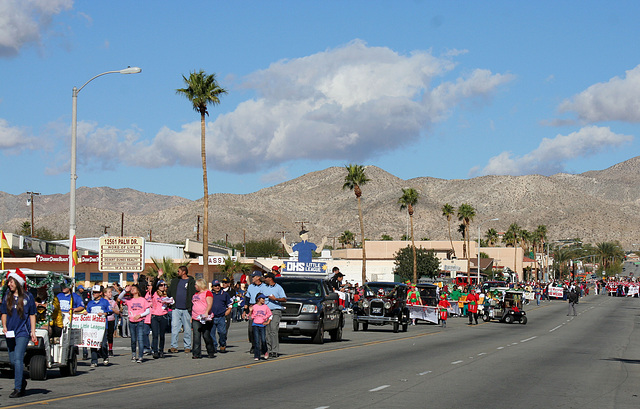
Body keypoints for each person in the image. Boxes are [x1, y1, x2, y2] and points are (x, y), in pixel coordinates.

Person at [1, 270, 36, 398]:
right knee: (12, 361)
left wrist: (33, 331)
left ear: (17, 282)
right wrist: (4, 326)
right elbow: (4, 313)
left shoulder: (28, 297)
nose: (9, 284)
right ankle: (22, 381)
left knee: (18, 358)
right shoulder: (7, 296)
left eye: (11, 282)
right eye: (8, 282)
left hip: (23, 332)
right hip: (10, 332)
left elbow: (32, 315)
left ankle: (18, 388)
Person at [166, 266, 196, 354]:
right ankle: (174, 346)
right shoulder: (175, 281)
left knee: (187, 328)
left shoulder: (191, 281)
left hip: (187, 309)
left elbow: (193, 293)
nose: (177, 272)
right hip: (176, 308)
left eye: (179, 271)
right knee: (175, 327)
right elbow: (169, 292)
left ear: (184, 272)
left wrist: (191, 306)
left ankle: (187, 346)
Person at [118, 284, 150, 363]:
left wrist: (140, 315)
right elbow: (119, 298)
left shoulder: (142, 300)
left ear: (138, 290)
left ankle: (140, 356)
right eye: (131, 289)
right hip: (132, 321)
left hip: (140, 321)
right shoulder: (129, 300)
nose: (132, 290)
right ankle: (133, 354)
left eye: (134, 289)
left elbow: (148, 310)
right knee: (133, 340)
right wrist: (125, 291)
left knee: (140, 339)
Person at [85, 285, 112, 367]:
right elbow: (87, 312)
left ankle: (105, 357)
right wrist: (86, 313)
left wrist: (104, 314)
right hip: (93, 327)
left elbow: (110, 311)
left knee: (103, 344)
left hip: (102, 326)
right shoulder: (90, 303)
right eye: (94, 292)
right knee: (93, 344)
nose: (94, 294)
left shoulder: (105, 302)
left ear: (100, 293)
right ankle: (94, 360)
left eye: (96, 292)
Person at [262, 272, 286, 358]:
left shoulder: (278, 288)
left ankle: (275, 350)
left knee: (273, 330)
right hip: (266, 311)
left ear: (270, 278)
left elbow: (284, 299)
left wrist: (275, 299)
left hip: (275, 311)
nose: (265, 279)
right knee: (267, 332)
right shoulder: (264, 288)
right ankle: (269, 350)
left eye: (266, 278)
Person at [191, 279, 215, 359]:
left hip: (205, 318)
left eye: (196, 285)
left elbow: (209, 304)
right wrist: (192, 317)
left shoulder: (207, 293)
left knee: (206, 335)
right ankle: (196, 353)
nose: (195, 286)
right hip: (196, 317)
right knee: (196, 336)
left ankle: (211, 351)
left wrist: (206, 313)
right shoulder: (195, 294)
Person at [243, 271, 266, 352]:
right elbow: (247, 298)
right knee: (251, 329)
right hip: (252, 308)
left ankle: (260, 346)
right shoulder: (250, 287)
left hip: (261, 308)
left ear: (258, 277)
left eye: (254, 277)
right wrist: (245, 310)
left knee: (260, 328)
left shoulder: (264, 287)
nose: (252, 278)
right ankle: (254, 345)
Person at [150, 279, 172, 358]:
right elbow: (153, 285)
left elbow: (171, 302)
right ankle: (155, 351)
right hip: (155, 316)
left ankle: (161, 350)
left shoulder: (166, 294)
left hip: (163, 316)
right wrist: (158, 277)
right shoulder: (154, 293)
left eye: (164, 285)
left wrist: (169, 303)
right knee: (155, 335)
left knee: (162, 335)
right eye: (161, 285)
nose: (162, 287)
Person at [210, 280, 232, 353]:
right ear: (212, 287)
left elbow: (230, 303)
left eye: (218, 285)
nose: (217, 287)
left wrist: (228, 310)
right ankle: (214, 346)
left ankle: (222, 344)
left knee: (222, 332)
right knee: (212, 333)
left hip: (221, 317)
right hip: (212, 317)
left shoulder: (224, 294)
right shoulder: (210, 294)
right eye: (215, 286)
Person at [250, 293, 272, 361]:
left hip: (262, 325)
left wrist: (268, 321)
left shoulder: (265, 307)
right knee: (257, 341)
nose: (264, 300)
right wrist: (250, 311)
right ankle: (257, 355)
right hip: (255, 325)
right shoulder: (254, 306)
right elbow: (250, 317)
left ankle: (265, 351)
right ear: (258, 299)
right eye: (262, 298)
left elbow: (270, 314)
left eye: (264, 299)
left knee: (263, 339)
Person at [104, 287, 120, 356]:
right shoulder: (102, 301)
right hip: (103, 320)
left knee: (110, 335)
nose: (111, 294)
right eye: (109, 292)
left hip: (111, 320)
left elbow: (118, 311)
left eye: (111, 292)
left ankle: (110, 349)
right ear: (105, 294)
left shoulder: (113, 302)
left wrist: (112, 309)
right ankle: (102, 350)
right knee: (103, 336)